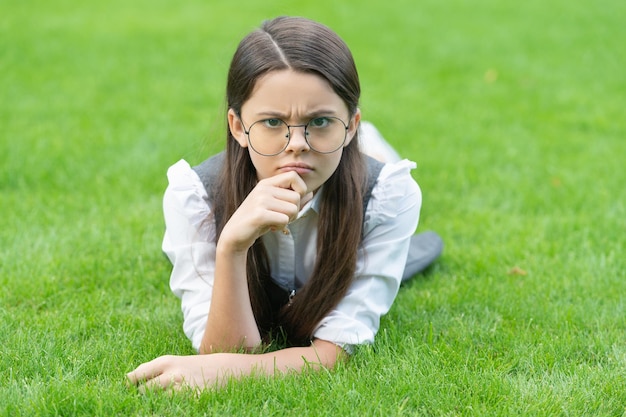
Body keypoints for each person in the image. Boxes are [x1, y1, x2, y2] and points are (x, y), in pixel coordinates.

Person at [127, 16, 442, 392]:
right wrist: (231, 245)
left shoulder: (389, 195)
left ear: (352, 123)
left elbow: (335, 351)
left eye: (320, 120)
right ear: (239, 126)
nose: (297, 144)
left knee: (403, 239)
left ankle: (369, 145)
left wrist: (226, 373)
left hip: (355, 180)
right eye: (273, 121)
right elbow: (224, 349)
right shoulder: (193, 196)